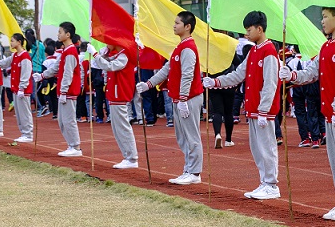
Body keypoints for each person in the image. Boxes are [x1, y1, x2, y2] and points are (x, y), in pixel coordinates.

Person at [279, 7, 335, 221]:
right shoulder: (326, 46)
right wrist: (292, 75)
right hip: (330, 113)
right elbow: (312, 72)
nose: (322, 21)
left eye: (325, 17)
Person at [204, 11, 281, 199]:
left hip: (263, 110)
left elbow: (270, 83)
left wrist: (264, 110)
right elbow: (238, 74)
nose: (246, 34)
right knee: (257, 149)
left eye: (249, 29)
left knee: (267, 148)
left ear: (259, 29)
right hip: (253, 108)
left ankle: (271, 184)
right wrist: (216, 82)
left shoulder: (269, 51)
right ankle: (264, 181)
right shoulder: (253, 51)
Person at [137, 11, 204, 185]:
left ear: (187, 26)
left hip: (188, 98)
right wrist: (149, 84)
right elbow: (167, 70)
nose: (174, 26)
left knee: (191, 136)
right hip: (180, 98)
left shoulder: (188, 48)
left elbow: (188, 75)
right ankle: (188, 169)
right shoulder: (179, 47)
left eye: (177, 23)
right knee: (183, 137)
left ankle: (194, 172)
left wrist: (183, 99)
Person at [33, 22, 83, 157]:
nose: (58, 34)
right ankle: (71, 145)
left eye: (60, 32)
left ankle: (75, 146)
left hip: (68, 91)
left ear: (68, 34)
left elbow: (68, 73)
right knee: (62, 121)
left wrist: (64, 91)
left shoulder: (71, 51)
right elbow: (56, 68)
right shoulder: (65, 51)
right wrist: (42, 75)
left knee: (69, 120)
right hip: (63, 91)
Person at [0, 33, 34, 142]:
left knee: (24, 113)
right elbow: (3, 63)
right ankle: (24, 133)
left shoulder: (25, 56)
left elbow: (26, 73)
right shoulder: (15, 55)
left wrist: (22, 87)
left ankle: (28, 134)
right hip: (16, 89)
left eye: (12, 41)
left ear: (19, 42)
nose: (11, 43)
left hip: (22, 90)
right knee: (19, 113)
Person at [93, 44, 138, 169]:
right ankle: (127, 156)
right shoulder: (117, 55)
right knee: (117, 128)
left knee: (122, 127)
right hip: (114, 94)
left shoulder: (124, 55)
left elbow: (109, 66)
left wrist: (96, 55)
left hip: (120, 94)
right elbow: (104, 63)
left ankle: (131, 157)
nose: (107, 44)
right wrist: (103, 55)